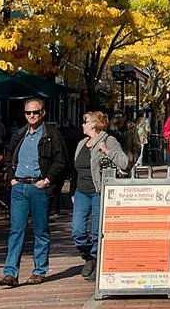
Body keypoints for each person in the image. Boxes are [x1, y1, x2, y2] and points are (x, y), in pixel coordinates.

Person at [0, 97, 67, 288]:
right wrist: (11, 177)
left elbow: (61, 161)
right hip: (19, 186)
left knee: (40, 230)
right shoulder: (20, 134)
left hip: (38, 188)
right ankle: (10, 273)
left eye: (35, 112)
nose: (31, 116)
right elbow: (9, 156)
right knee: (16, 230)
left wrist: (47, 180)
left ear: (43, 113)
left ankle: (39, 270)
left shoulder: (51, 134)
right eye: (28, 112)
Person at [72, 111, 129, 280]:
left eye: (85, 121)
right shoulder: (82, 143)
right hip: (81, 192)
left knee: (97, 232)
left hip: (98, 191)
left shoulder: (108, 140)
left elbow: (124, 162)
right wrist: (72, 190)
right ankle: (88, 256)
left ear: (94, 124)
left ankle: (96, 261)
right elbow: (76, 169)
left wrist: (107, 151)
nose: (82, 124)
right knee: (77, 231)